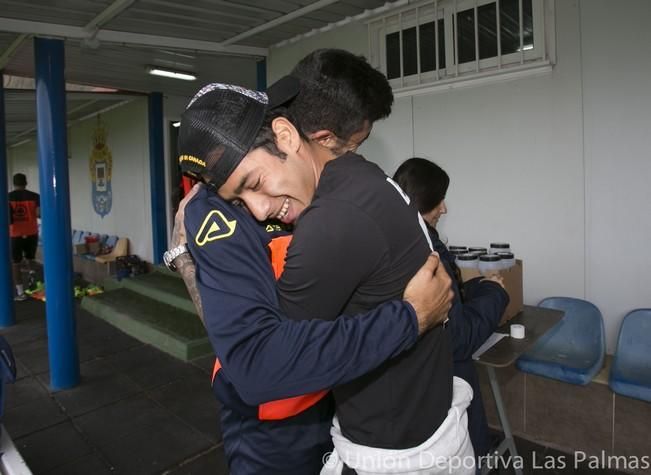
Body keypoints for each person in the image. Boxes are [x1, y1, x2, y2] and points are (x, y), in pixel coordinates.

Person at [176, 73, 473, 473]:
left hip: (335, 402)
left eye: (256, 184)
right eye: (240, 196)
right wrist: (410, 318)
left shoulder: (340, 191)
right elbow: (256, 363)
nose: (259, 208)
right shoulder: (213, 215)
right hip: (271, 425)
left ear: (285, 135)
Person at [393, 158, 509, 460]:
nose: (444, 208)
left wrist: (478, 287)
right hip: (444, 388)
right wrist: (496, 294)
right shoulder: (426, 254)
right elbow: (459, 338)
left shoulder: (389, 243)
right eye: (439, 200)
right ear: (423, 200)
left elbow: (443, 301)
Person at [8, 173, 40, 301]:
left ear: (14, 183)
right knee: (30, 258)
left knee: (16, 263)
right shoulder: (35, 196)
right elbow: (38, 214)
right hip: (32, 232)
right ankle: (32, 282)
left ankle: (21, 293)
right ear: (25, 183)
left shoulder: (8, 197)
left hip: (15, 234)